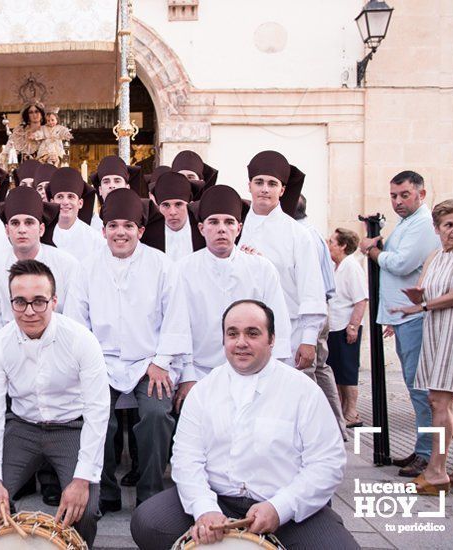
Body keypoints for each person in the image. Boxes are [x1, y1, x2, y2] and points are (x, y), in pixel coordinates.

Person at [130, 300, 357, 550]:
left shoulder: (303, 391)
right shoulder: (204, 391)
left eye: (252, 333)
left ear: (272, 339)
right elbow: (186, 458)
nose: (241, 342)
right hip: (219, 500)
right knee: (148, 523)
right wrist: (204, 509)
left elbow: (327, 463)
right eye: (232, 333)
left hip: (283, 507)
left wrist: (279, 508)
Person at [0, 259, 109, 546]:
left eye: (39, 301)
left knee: (83, 510)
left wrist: (82, 479)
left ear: (54, 300)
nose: (29, 311)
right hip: (23, 427)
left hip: (71, 427)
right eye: (20, 302)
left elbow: (98, 412)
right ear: (10, 302)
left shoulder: (81, 340)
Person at [64, 188, 174, 513]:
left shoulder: (162, 266)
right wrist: (89, 366)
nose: (120, 232)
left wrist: (162, 361)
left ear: (140, 230)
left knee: (156, 415)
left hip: (149, 363)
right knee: (98, 418)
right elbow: (75, 323)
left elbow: (176, 319)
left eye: (128, 226)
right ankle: (106, 491)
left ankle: (151, 492)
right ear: (104, 231)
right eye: (113, 226)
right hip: (100, 363)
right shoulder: (86, 268)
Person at [159, 185, 292, 402]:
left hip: (254, 371)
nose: (222, 229)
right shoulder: (182, 270)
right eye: (214, 222)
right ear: (201, 228)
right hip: (201, 373)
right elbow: (178, 326)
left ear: (238, 228)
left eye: (229, 222)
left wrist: (273, 377)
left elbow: (279, 324)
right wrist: (188, 377)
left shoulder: (261, 268)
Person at [359, 170, 441, 478]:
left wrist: (374, 250)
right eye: (394, 195)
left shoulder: (421, 224)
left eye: (404, 195)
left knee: (421, 389)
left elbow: (402, 264)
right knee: (415, 387)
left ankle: (428, 454)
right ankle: (423, 450)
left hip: (415, 317)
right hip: (404, 316)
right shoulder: (408, 223)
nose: (398, 201)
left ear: (421, 194)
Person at [389, 199, 453, 495]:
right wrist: (417, 297)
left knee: (439, 401)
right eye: (449, 225)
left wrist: (421, 306)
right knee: (443, 401)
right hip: (435, 331)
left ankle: (436, 472)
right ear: (437, 229)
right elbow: (425, 290)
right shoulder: (436, 255)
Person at [237, 151, 326, 372]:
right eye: (259, 182)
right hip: (242, 333)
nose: (265, 189)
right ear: (249, 186)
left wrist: (308, 339)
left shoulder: (298, 234)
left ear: (282, 190)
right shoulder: (235, 228)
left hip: (289, 332)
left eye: (272, 183)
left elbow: (311, 288)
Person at [0, 186, 79, 351]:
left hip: (58, 350)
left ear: (41, 229)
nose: (22, 229)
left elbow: (73, 321)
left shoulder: (67, 265)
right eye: (15, 223)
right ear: (7, 230)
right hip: (7, 352)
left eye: (29, 222)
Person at [293, 194, 345, 439]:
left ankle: (319, 433)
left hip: (310, 311)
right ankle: (336, 427)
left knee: (307, 371)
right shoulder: (313, 232)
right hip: (322, 306)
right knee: (321, 369)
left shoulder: (300, 235)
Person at [326, 228, 368, 429]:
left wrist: (353, 326)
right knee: (338, 371)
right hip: (334, 326)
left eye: (332, 241)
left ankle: (352, 413)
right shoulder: (337, 267)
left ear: (342, 245)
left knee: (348, 371)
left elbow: (360, 300)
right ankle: (344, 410)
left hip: (345, 326)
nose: (329, 244)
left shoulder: (351, 267)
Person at [48, 167, 104, 260]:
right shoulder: (41, 235)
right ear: (52, 202)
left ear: (80, 203)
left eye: (71, 196)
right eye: (60, 196)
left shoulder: (95, 240)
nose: (65, 202)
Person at [151, 171, 195, 262]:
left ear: (190, 204)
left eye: (178, 204)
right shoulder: (148, 237)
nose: (172, 212)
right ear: (158, 207)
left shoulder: (202, 235)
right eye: (166, 205)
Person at [0, 101, 46, 170]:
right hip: (22, 171)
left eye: (37, 111)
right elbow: (7, 152)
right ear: (27, 115)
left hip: (42, 171)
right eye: (31, 112)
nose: (34, 115)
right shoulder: (19, 132)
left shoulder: (48, 132)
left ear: (41, 114)